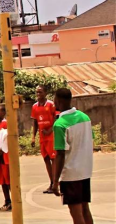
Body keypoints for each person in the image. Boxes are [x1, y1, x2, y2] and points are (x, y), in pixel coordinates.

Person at [51, 88, 94, 224]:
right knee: (85, 209)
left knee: (75, 212)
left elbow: (60, 154)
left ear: (57, 101)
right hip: (85, 171)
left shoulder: (60, 124)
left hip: (71, 174)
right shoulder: (84, 117)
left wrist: (55, 180)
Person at [31, 85, 57, 194]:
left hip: (51, 136)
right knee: (46, 159)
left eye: (40, 92)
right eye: (37, 92)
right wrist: (33, 137)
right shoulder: (35, 106)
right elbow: (35, 122)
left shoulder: (51, 105)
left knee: (53, 159)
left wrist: (50, 130)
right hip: (42, 136)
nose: (38, 94)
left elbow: (56, 119)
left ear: (45, 93)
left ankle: (56, 183)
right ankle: (51, 182)